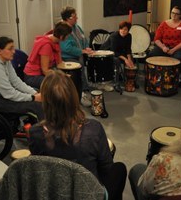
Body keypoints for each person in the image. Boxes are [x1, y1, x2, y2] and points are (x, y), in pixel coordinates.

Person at [28, 70, 127, 200]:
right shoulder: (93, 129)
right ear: (73, 98)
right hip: (87, 194)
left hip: (56, 193)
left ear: (44, 102)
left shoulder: (35, 132)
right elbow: (106, 169)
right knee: (119, 168)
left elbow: (40, 168)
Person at [0, 36, 44, 120]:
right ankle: (45, 130)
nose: (14, 51)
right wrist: (33, 98)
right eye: (10, 49)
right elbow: (8, 93)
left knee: (38, 92)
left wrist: (34, 93)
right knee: (36, 105)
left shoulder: (5, 61)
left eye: (13, 48)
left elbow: (16, 82)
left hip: (1, 95)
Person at [59, 6, 98, 106]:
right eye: (74, 16)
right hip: (67, 57)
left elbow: (83, 39)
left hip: (79, 53)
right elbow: (66, 48)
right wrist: (82, 51)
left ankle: (91, 83)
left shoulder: (76, 27)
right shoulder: (63, 29)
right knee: (79, 65)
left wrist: (87, 48)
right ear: (68, 18)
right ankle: (81, 93)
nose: (77, 18)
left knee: (94, 57)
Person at [148, 6, 181, 87]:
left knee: (179, 58)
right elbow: (156, 39)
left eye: (176, 14)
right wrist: (163, 47)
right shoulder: (164, 24)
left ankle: (179, 79)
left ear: (180, 15)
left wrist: (173, 49)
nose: (174, 15)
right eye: (172, 13)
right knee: (152, 54)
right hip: (165, 47)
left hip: (178, 48)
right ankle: (155, 77)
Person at [24, 21, 72, 89]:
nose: (68, 37)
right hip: (33, 76)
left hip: (41, 73)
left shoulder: (55, 40)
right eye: (67, 35)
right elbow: (45, 71)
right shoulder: (46, 46)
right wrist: (61, 76)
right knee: (59, 84)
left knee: (70, 77)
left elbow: (59, 62)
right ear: (61, 37)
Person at [100, 21, 135, 91]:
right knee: (117, 61)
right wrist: (125, 59)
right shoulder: (114, 36)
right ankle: (116, 83)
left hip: (119, 51)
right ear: (119, 29)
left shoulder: (129, 36)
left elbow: (128, 49)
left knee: (132, 60)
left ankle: (130, 81)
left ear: (128, 30)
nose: (123, 31)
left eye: (125, 29)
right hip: (107, 52)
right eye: (121, 29)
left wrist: (129, 59)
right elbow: (114, 51)